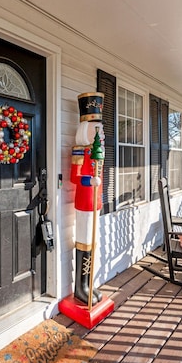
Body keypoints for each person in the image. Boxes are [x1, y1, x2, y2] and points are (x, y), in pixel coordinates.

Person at [70, 92, 105, 306]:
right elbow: (75, 176)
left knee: (93, 241)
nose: (99, 134)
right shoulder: (80, 151)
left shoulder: (97, 152)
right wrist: (88, 182)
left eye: (100, 130)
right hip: (84, 202)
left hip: (96, 202)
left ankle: (90, 283)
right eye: (96, 129)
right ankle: (80, 287)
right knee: (84, 240)